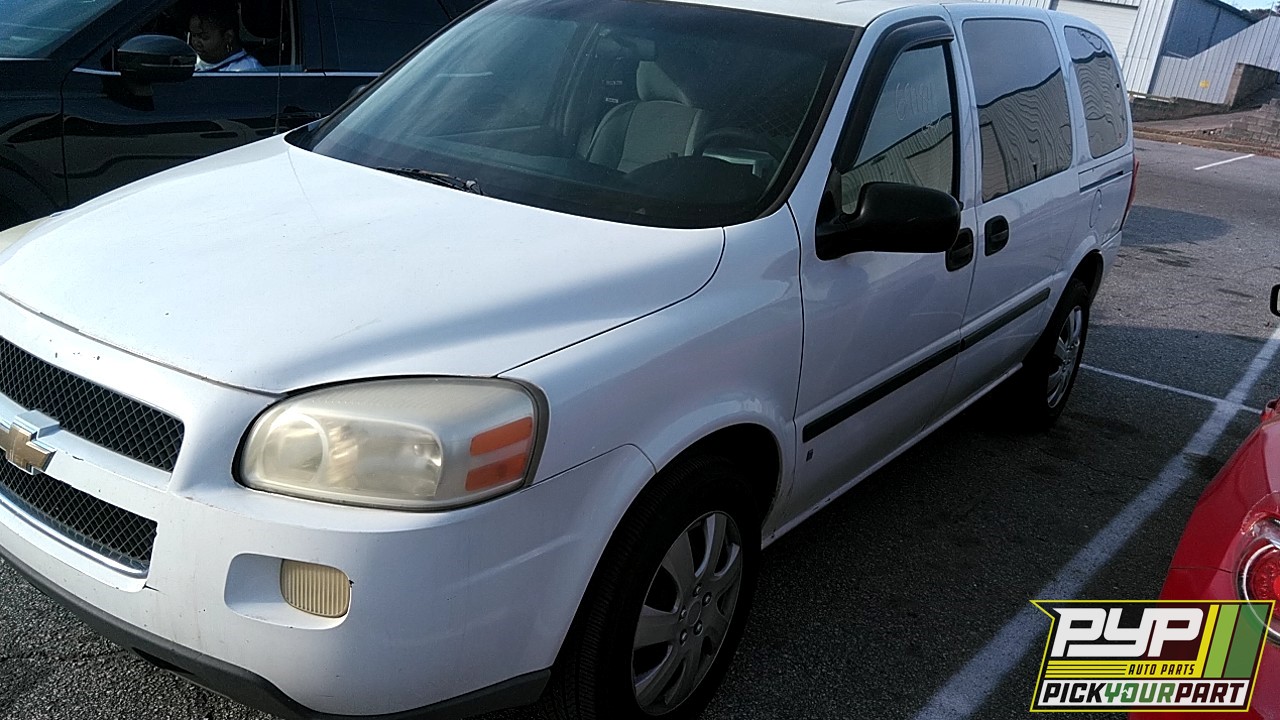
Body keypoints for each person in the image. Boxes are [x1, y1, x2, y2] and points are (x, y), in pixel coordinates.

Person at [188, 1, 264, 72]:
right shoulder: (188, 64)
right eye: (194, 35)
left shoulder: (248, 70)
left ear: (228, 37)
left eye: (204, 37)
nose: (196, 42)